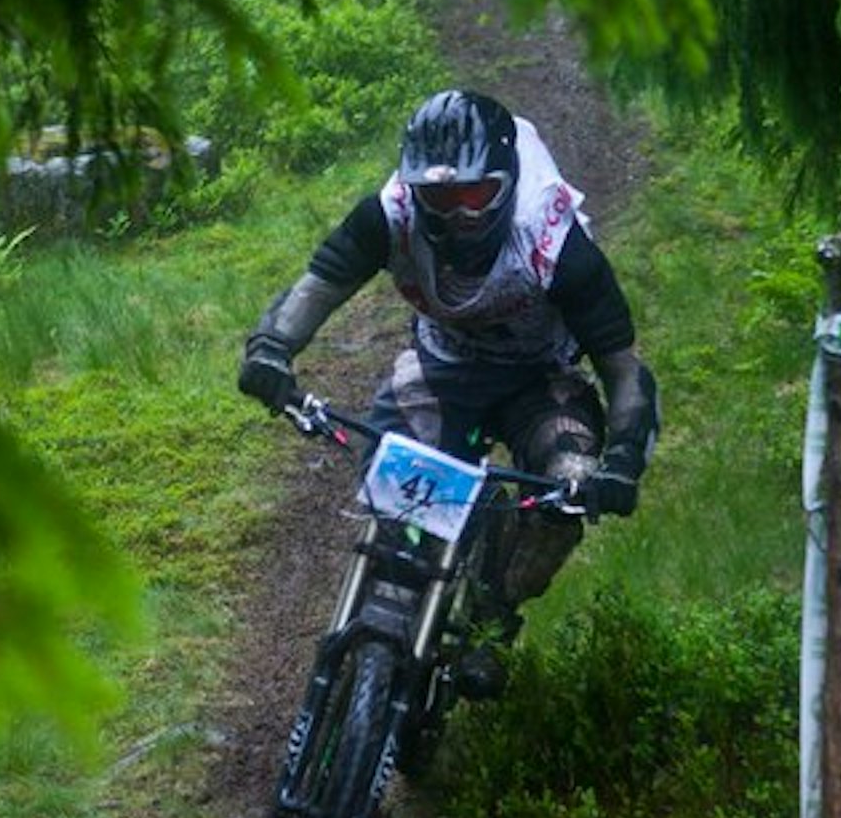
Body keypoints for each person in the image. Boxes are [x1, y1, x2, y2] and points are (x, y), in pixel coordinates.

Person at [237, 88, 659, 694]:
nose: (458, 214)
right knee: (394, 503)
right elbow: (317, 287)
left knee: (565, 488)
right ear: (416, 190)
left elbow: (623, 368)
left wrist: (620, 463)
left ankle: (492, 617)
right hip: (441, 368)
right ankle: (399, 575)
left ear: (508, 181)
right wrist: (271, 349)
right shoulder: (391, 213)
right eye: (440, 196)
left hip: (542, 381)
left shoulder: (554, 239)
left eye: (474, 194)